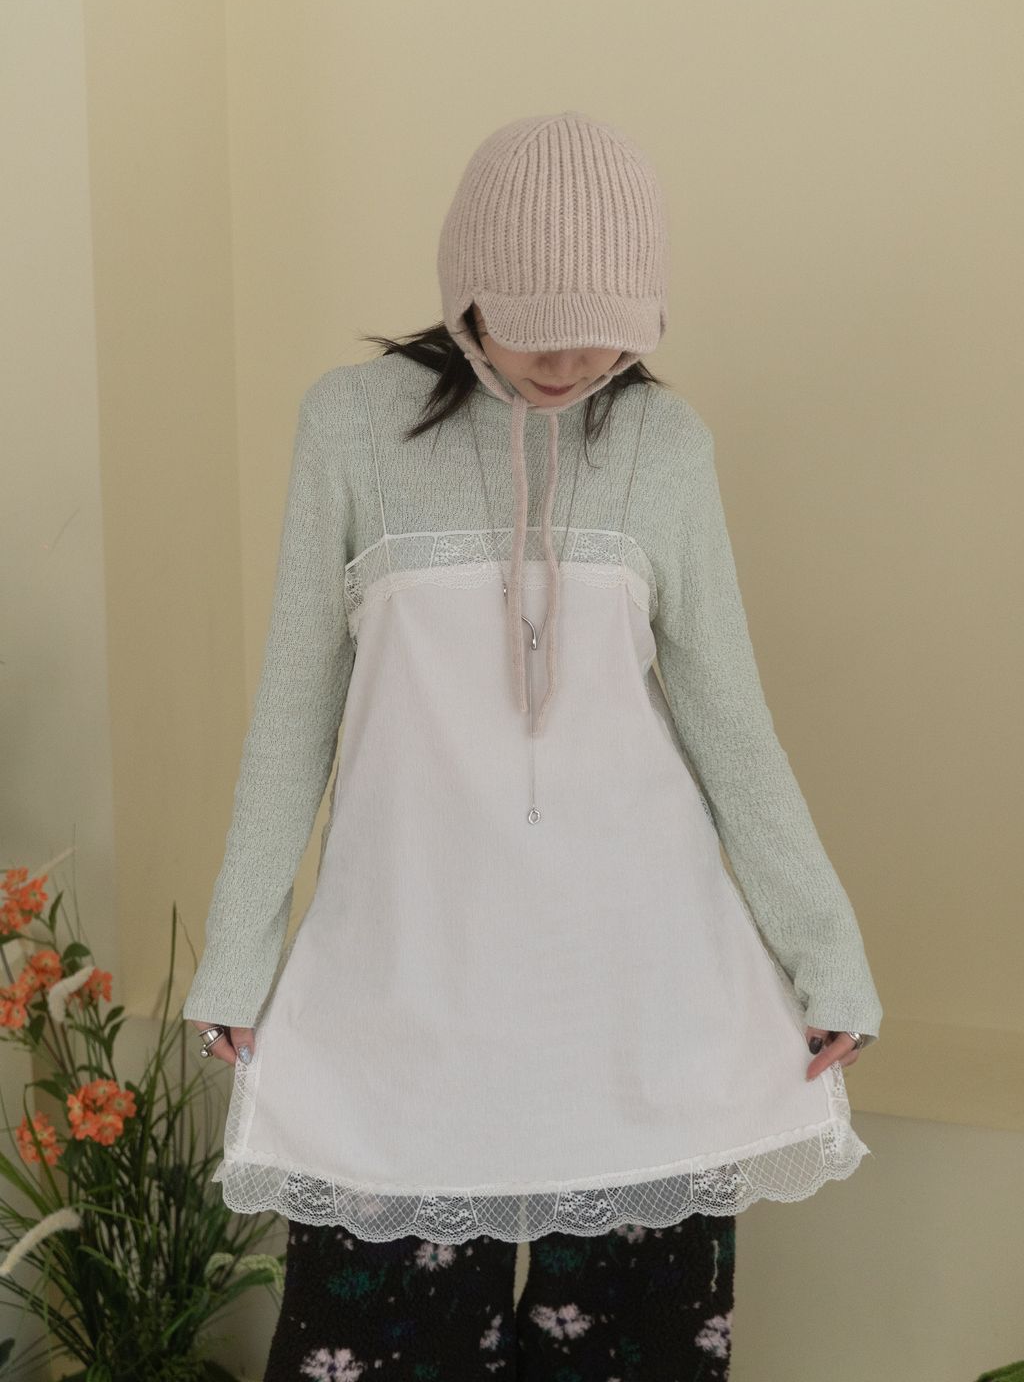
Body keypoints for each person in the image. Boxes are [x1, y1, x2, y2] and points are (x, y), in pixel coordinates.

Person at [183, 110, 882, 1381]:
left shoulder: (664, 446)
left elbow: (730, 726)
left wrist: (826, 954)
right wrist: (237, 954)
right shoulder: (350, 426)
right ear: (466, 292)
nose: (571, 359)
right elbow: (292, 714)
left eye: (604, 327)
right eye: (535, 325)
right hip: (407, 976)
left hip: (636, 990)